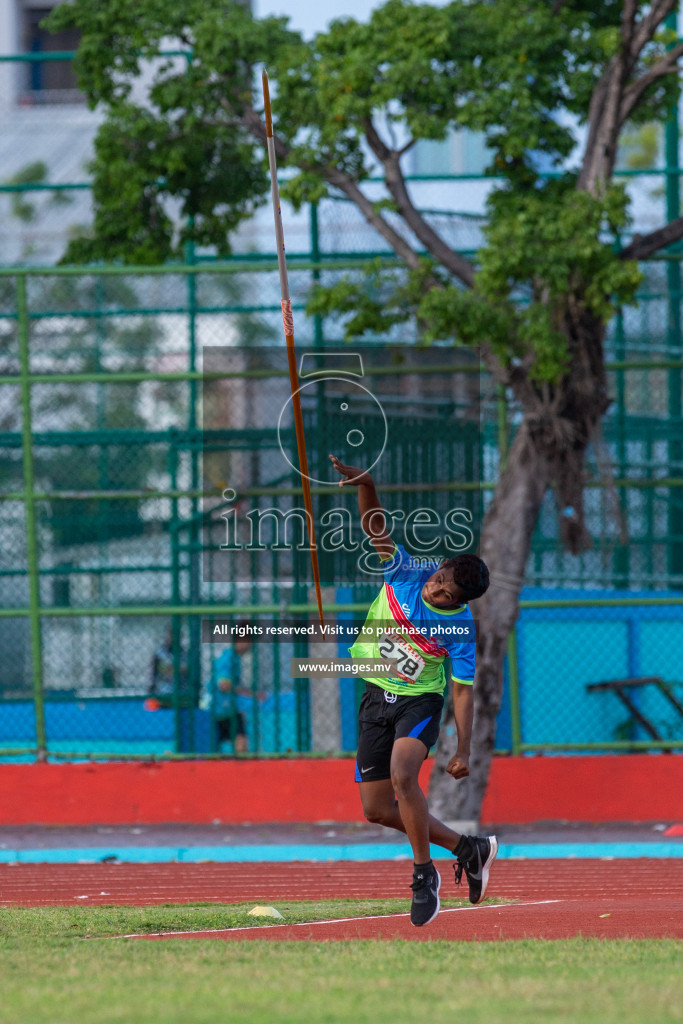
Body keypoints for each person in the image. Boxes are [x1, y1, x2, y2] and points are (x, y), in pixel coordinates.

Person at [330, 453, 498, 928]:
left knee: (405, 775)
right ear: (439, 567)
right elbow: (375, 528)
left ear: (460, 604)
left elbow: (463, 691)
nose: (437, 591)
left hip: (419, 701)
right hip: (374, 694)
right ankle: (468, 847)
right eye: (440, 580)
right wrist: (367, 484)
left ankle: (424, 876)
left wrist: (463, 747)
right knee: (377, 810)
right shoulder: (407, 571)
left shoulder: (460, 628)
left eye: (447, 595)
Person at [208, 629, 260, 753]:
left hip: (226, 708)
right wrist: (251, 693)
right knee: (240, 743)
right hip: (223, 710)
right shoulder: (229, 658)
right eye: (250, 642)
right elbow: (224, 685)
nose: (251, 647)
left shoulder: (234, 658)